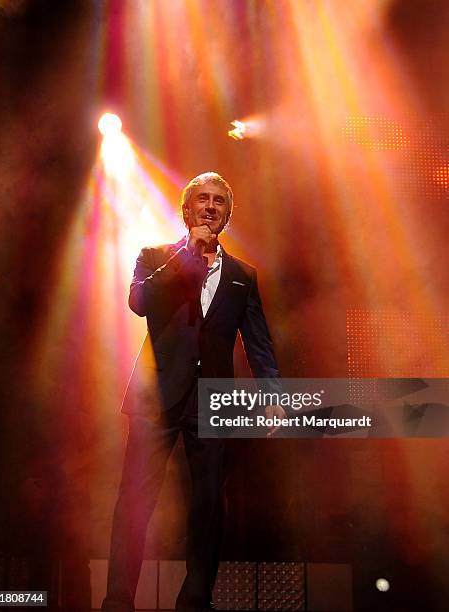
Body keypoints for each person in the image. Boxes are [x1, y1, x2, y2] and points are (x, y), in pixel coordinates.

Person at [101, 172, 285, 612]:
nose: (209, 207)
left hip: (214, 402)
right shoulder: (153, 257)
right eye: (201, 199)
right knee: (136, 503)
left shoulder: (244, 275)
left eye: (218, 201)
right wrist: (189, 259)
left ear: (227, 213)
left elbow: (258, 341)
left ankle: (196, 599)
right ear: (186, 211)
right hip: (156, 398)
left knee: (209, 505)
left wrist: (274, 394)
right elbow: (140, 303)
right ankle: (118, 600)